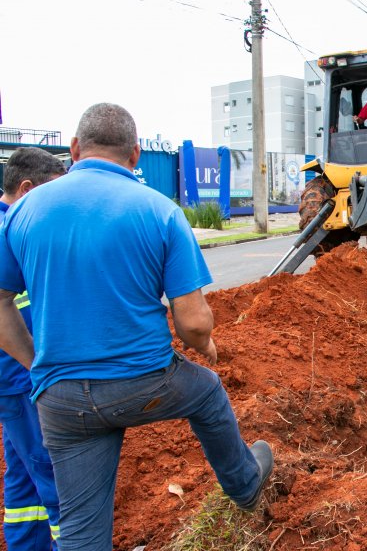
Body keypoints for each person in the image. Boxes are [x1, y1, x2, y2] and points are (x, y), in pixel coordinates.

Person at [0, 103, 274, 550]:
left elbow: (1, 304)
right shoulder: (159, 210)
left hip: (62, 401)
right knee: (206, 391)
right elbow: (192, 320)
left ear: (74, 149)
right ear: (136, 154)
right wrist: (205, 345)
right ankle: (244, 485)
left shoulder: (24, 210)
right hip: (143, 384)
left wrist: (39, 366)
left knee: (81, 532)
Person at [0, 147, 66, 550]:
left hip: (15, 380)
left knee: (24, 484)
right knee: (58, 480)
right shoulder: (13, 233)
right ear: (26, 190)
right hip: (22, 378)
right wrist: (40, 370)